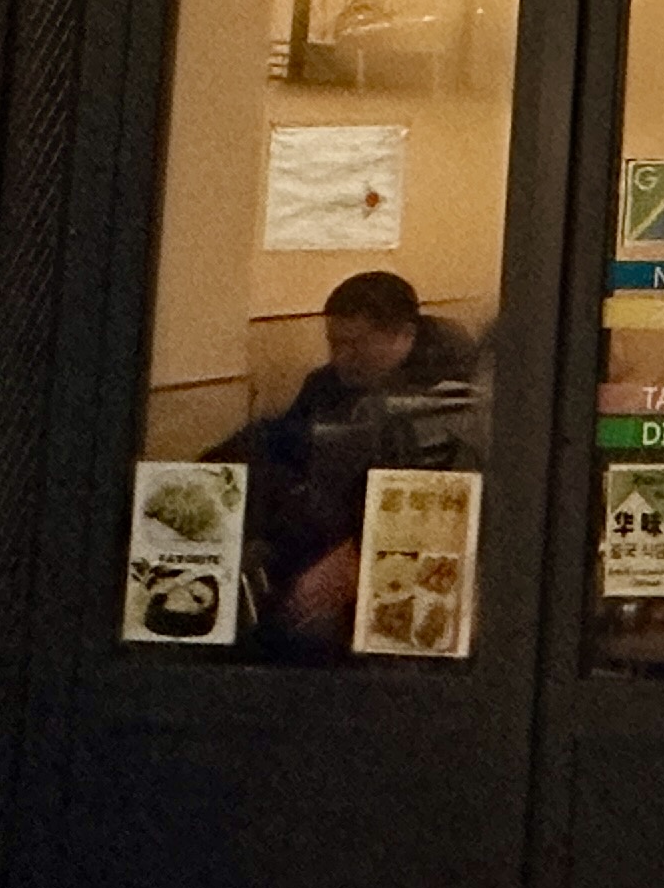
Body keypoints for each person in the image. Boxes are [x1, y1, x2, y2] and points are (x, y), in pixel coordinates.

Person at [202, 271, 483, 655]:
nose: (341, 357)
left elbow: (432, 505)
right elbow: (280, 443)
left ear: (404, 335)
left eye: (355, 344)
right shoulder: (327, 384)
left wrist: (356, 554)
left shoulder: (452, 397)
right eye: (334, 344)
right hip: (318, 537)